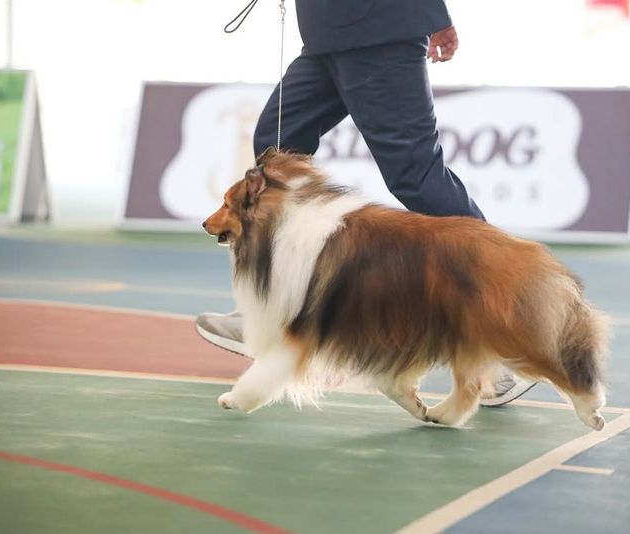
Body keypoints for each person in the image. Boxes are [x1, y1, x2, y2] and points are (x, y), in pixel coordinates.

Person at [197, 0, 536, 406]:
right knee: (276, 153)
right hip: (328, 33)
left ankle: (504, 328)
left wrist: (433, 15)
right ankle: (270, 306)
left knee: (416, 175)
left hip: (377, 28)